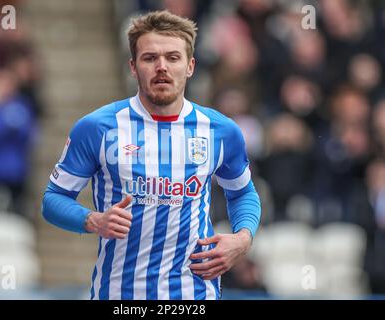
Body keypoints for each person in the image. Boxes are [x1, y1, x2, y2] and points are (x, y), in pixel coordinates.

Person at [42, 10, 261, 300]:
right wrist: (93, 220)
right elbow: (52, 200)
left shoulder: (221, 131)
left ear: (190, 65)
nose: (162, 67)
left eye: (173, 58)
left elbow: (243, 193)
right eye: (149, 58)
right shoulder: (97, 127)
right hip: (119, 296)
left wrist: (242, 239)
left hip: (193, 296)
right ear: (133, 67)